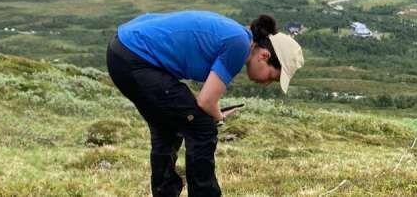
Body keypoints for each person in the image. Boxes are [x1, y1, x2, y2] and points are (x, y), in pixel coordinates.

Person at [106, 10, 304, 197]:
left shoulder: (238, 35)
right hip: (135, 60)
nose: (267, 83)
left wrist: (212, 111)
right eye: (272, 77)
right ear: (264, 56)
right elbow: (206, 101)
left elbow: (202, 101)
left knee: (167, 126)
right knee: (202, 127)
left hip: (121, 51)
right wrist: (217, 117)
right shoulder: (239, 46)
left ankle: (165, 192)